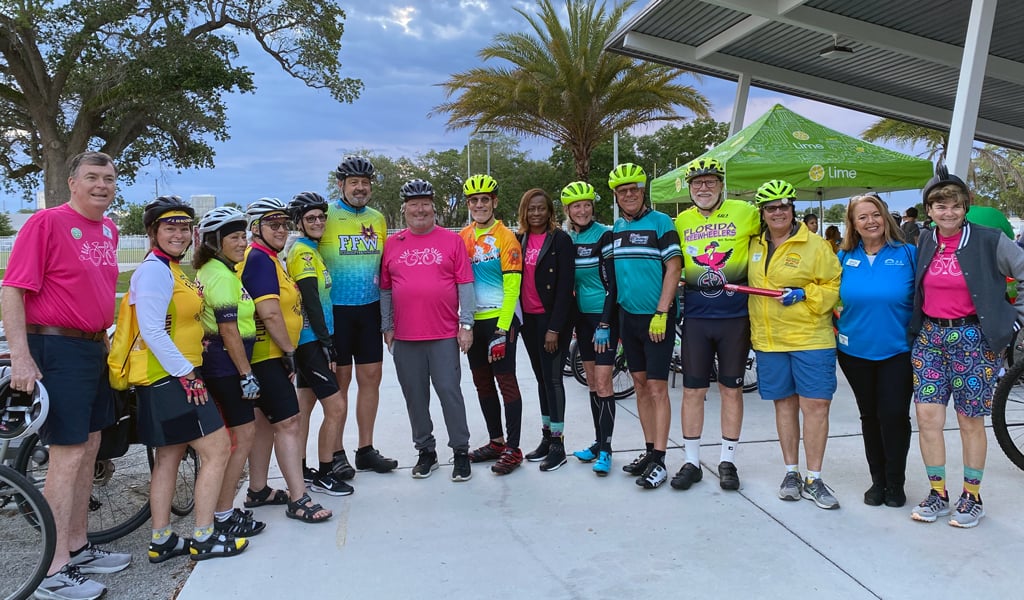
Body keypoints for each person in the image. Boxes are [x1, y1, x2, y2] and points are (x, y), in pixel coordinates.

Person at [2, 151, 131, 600]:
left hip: (92, 345)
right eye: (92, 177)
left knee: (90, 444)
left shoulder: (110, 228)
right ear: (72, 183)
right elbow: (13, 289)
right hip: (55, 345)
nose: (102, 185)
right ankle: (53, 569)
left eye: (109, 178)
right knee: (69, 451)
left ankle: (77, 545)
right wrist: (21, 355)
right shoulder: (46, 223)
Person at [130, 196, 247, 563]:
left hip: (165, 378)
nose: (179, 234)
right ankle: (204, 536)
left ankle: (162, 539)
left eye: (184, 227)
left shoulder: (171, 269)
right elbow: (151, 329)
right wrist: (188, 376)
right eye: (170, 227)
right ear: (153, 232)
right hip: (171, 379)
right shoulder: (154, 271)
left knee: (169, 458)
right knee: (217, 450)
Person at [908, 166, 1024, 528]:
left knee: (969, 420)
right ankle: (937, 492)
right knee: (927, 417)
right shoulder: (925, 241)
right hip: (930, 339)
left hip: (973, 340)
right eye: (939, 206)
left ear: (966, 207)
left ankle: (972, 496)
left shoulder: (990, 239)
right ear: (928, 210)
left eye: (954, 205)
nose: (947, 212)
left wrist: (1015, 318)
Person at [748, 179, 842, 510]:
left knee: (815, 406)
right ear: (763, 212)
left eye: (783, 206)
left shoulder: (816, 245)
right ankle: (791, 472)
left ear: (793, 209)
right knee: (784, 405)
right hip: (769, 340)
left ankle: (814, 477)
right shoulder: (753, 244)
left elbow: (835, 285)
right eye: (771, 208)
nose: (778, 213)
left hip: (810, 338)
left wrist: (806, 293)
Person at [240, 198, 332, 523]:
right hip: (267, 355)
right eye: (273, 224)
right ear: (255, 228)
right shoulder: (261, 261)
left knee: (265, 424)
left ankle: (258, 489)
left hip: (268, 354)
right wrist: (289, 351)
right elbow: (269, 312)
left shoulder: (270, 258)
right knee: (289, 423)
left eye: (284, 224)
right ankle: (298, 497)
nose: (281, 230)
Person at [671, 157, 760, 492]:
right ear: (690, 189)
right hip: (696, 318)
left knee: (731, 390)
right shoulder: (681, 221)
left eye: (710, 181)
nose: (703, 188)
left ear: (722, 184)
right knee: (693, 391)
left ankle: (727, 461)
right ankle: (692, 461)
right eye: (697, 183)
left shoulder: (745, 212)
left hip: (735, 318)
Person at [380, 179, 475, 481]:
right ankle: (426, 452)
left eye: (424, 203)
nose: (419, 209)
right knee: (415, 397)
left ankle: (461, 451)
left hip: (445, 334)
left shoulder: (452, 241)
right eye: (413, 204)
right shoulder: (393, 245)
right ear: (405, 209)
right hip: (406, 338)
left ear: (433, 206)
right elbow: (385, 289)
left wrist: (467, 324)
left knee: (450, 392)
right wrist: (387, 325)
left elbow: (465, 285)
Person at [319, 155, 397, 477]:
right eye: (354, 183)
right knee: (341, 382)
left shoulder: (377, 219)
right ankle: (335, 452)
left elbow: (385, 267)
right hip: (336, 310)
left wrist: (387, 316)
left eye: (365, 183)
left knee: (371, 379)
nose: (360, 188)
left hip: (368, 309)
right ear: (341, 185)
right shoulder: (325, 215)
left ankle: (365, 449)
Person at [836, 194, 915, 508]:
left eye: (875, 215)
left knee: (894, 416)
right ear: (853, 225)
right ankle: (877, 481)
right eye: (862, 217)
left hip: (898, 350)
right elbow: (822, 290)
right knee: (869, 416)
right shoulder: (842, 258)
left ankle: (896, 482)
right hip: (854, 351)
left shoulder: (908, 254)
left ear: (886, 217)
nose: (871, 222)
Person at [193, 206, 267, 538]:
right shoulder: (221, 276)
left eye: (245, 236)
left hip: (220, 364)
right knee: (244, 436)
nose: (243, 243)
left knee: (237, 438)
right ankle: (223, 513)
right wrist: (246, 374)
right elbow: (230, 331)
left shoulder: (214, 270)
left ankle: (222, 509)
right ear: (216, 241)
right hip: (227, 366)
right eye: (236, 237)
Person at [608, 163, 682, 489]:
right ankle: (650, 450)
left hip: (657, 318)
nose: (628, 195)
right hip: (629, 318)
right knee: (639, 386)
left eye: (633, 189)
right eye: (622, 191)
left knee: (657, 388)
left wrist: (662, 311)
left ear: (642, 191)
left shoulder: (660, 222)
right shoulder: (617, 227)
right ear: (616, 196)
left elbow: (674, 266)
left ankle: (662, 459)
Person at [284, 192, 352, 497]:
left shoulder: (313, 249)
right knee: (336, 406)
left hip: (312, 339)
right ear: (299, 222)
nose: (318, 222)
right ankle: (326, 473)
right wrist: (328, 344)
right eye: (310, 218)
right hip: (311, 341)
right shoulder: (303, 253)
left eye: (322, 217)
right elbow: (311, 299)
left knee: (304, 407)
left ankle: (299, 470)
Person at [459, 173, 526, 475]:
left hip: (502, 320)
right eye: (475, 200)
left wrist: (502, 328)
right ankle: (496, 441)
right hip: (475, 322)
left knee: (505, 381)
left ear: (494, 202)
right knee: (482, 383)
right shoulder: (463, 237)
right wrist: (465, 324)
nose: (480, 204)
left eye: (485, 199)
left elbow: (513, 286)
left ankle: (514, 447)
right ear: (469, 204)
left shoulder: (506, 236)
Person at [515, 188, 576, 472]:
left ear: (550, 211)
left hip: (552, 321)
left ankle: (558, 445)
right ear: (524, 212)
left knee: (553, 380)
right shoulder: (520, 239)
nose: (536, 213)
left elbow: (564, 289)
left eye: (541, 208)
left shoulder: (561, 240)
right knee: (541, 379)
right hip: (529, 321)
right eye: (531, 208)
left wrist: (555, 328)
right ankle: (546, 435)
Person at [562, 182, 619, 476]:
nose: (582, 210)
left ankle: (607, 449)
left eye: (586, 205)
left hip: (602, 318)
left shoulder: (604, 234)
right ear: (568, 210)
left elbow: (613, 283)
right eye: (576, 206)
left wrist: (606, 324)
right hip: (582, 320)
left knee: (605, 383)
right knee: (593, 384)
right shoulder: (569, 237)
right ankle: (598, 443)